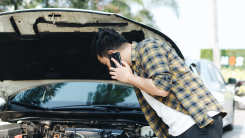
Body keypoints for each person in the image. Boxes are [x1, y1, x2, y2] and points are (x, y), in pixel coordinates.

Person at [92, 28, 227, 138]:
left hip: (198, 121)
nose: (109, 68)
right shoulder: (135, 70)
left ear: (112, 54)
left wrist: (129, 77)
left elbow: (161, 88)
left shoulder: (148, 47)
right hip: (180, 130)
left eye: (106, 63)